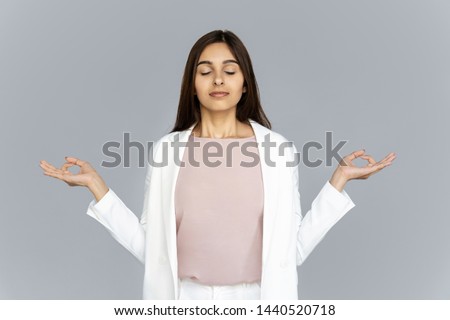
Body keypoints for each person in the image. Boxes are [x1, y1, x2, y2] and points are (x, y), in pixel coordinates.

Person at [39, 30, 396, 300]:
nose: (219, 80)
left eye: (230, 70)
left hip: (259, 300)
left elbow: (292, 249)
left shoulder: (277, 150)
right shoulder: (167, 152)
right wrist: (98, 189)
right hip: (184, 300)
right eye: (205, 71)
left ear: (245, 85)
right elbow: (155, 249)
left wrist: (338, 182)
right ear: (193, 85)